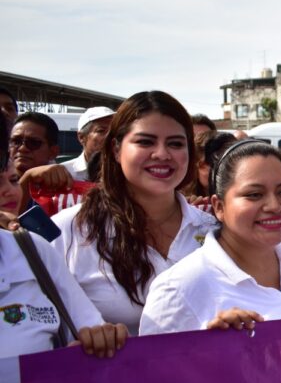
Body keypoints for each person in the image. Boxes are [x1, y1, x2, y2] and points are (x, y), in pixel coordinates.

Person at [51, 91, 217, 335]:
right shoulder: (69, 231)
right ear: (117, 149)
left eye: (175, 143)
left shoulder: (213, 231)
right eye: (145, 142)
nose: (162, 154)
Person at [140, 141, 281, 334]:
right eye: (254, 194)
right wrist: (213, 348)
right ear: (219, 207)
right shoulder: (179, 288)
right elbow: (150, 363)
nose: (274, 206)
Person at [0, 113, 127, 359]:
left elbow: (90, 329)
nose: (7, 189)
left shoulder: (32, 248)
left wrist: (101, 339)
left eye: (14, 179)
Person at [60, 107, 115, 181]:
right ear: (81, 137)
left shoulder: (126, 173)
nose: (110, 136)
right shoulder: (64, 172)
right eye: (101, 131)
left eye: (114, 131)